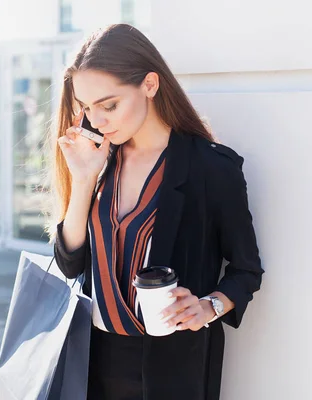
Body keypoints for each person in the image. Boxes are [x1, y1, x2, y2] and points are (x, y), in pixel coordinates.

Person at [48, 23, 264, 400]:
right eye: (87, 108)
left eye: (109, 105)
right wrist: (83, 180)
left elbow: (246, 271)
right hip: (91, 365)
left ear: (149, 84)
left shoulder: (211, 169)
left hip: (171, 371)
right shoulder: (101, 162)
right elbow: (70, 264)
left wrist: (208, 307)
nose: (96, 121)